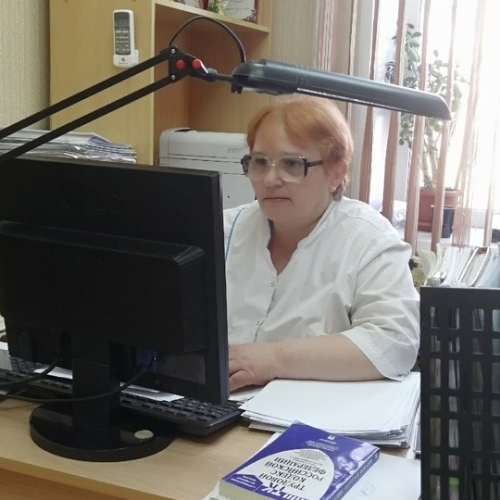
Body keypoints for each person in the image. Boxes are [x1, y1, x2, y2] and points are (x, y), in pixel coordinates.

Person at [224, 95, 419, 392]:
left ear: (336, 174)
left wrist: (273, 359)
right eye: (260, 162)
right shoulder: (223, 230)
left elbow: (395, 343)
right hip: (211, 408)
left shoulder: (370, 239)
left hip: (311, 413)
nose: (270, 179)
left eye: (292, 164)